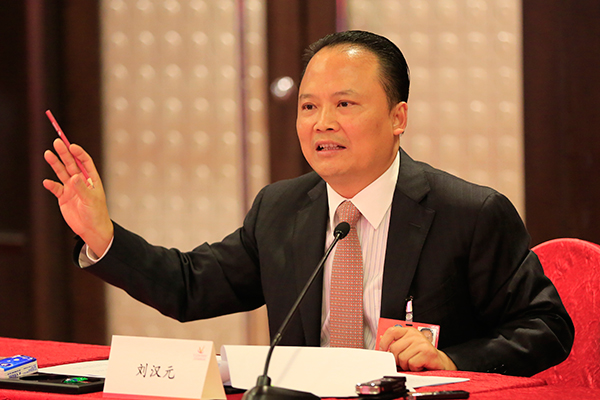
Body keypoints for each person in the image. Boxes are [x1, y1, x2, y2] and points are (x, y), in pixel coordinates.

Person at [43, 30, 573, 376]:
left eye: (345, 104)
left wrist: (452, 359)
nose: (323, 123)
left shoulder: (470, 213)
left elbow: (546, 328)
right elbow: (189, 287)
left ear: (398, 118)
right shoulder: (280, 209)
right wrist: (101, 234)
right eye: (309, 106)